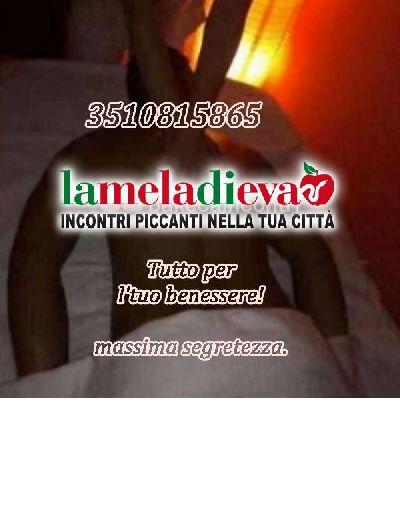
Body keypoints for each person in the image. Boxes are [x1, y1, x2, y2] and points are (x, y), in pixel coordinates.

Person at [8, 48, 350, 381]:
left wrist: (43, 393)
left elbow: (34, 261)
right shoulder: (244, 159)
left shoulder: (95, 152)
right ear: (193, 85)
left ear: (133, 94)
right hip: (283, 352)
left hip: (165, 362)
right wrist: (339, 367)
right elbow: (311, 256)